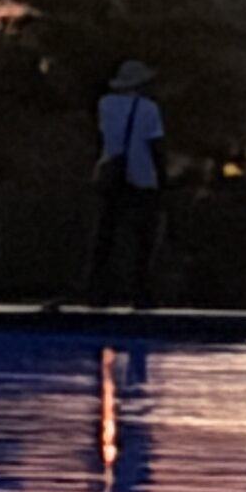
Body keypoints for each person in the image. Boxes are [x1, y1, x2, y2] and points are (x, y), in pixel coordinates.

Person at [87, 60, 165, 309]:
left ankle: (98, 291)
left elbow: (103, 139)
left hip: (112, 175)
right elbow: (156, 145)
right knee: (143, 239)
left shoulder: (105, 105)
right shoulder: (149, 109)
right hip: (142, 177)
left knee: (106, 235)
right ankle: (141, 292)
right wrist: (162, 178)